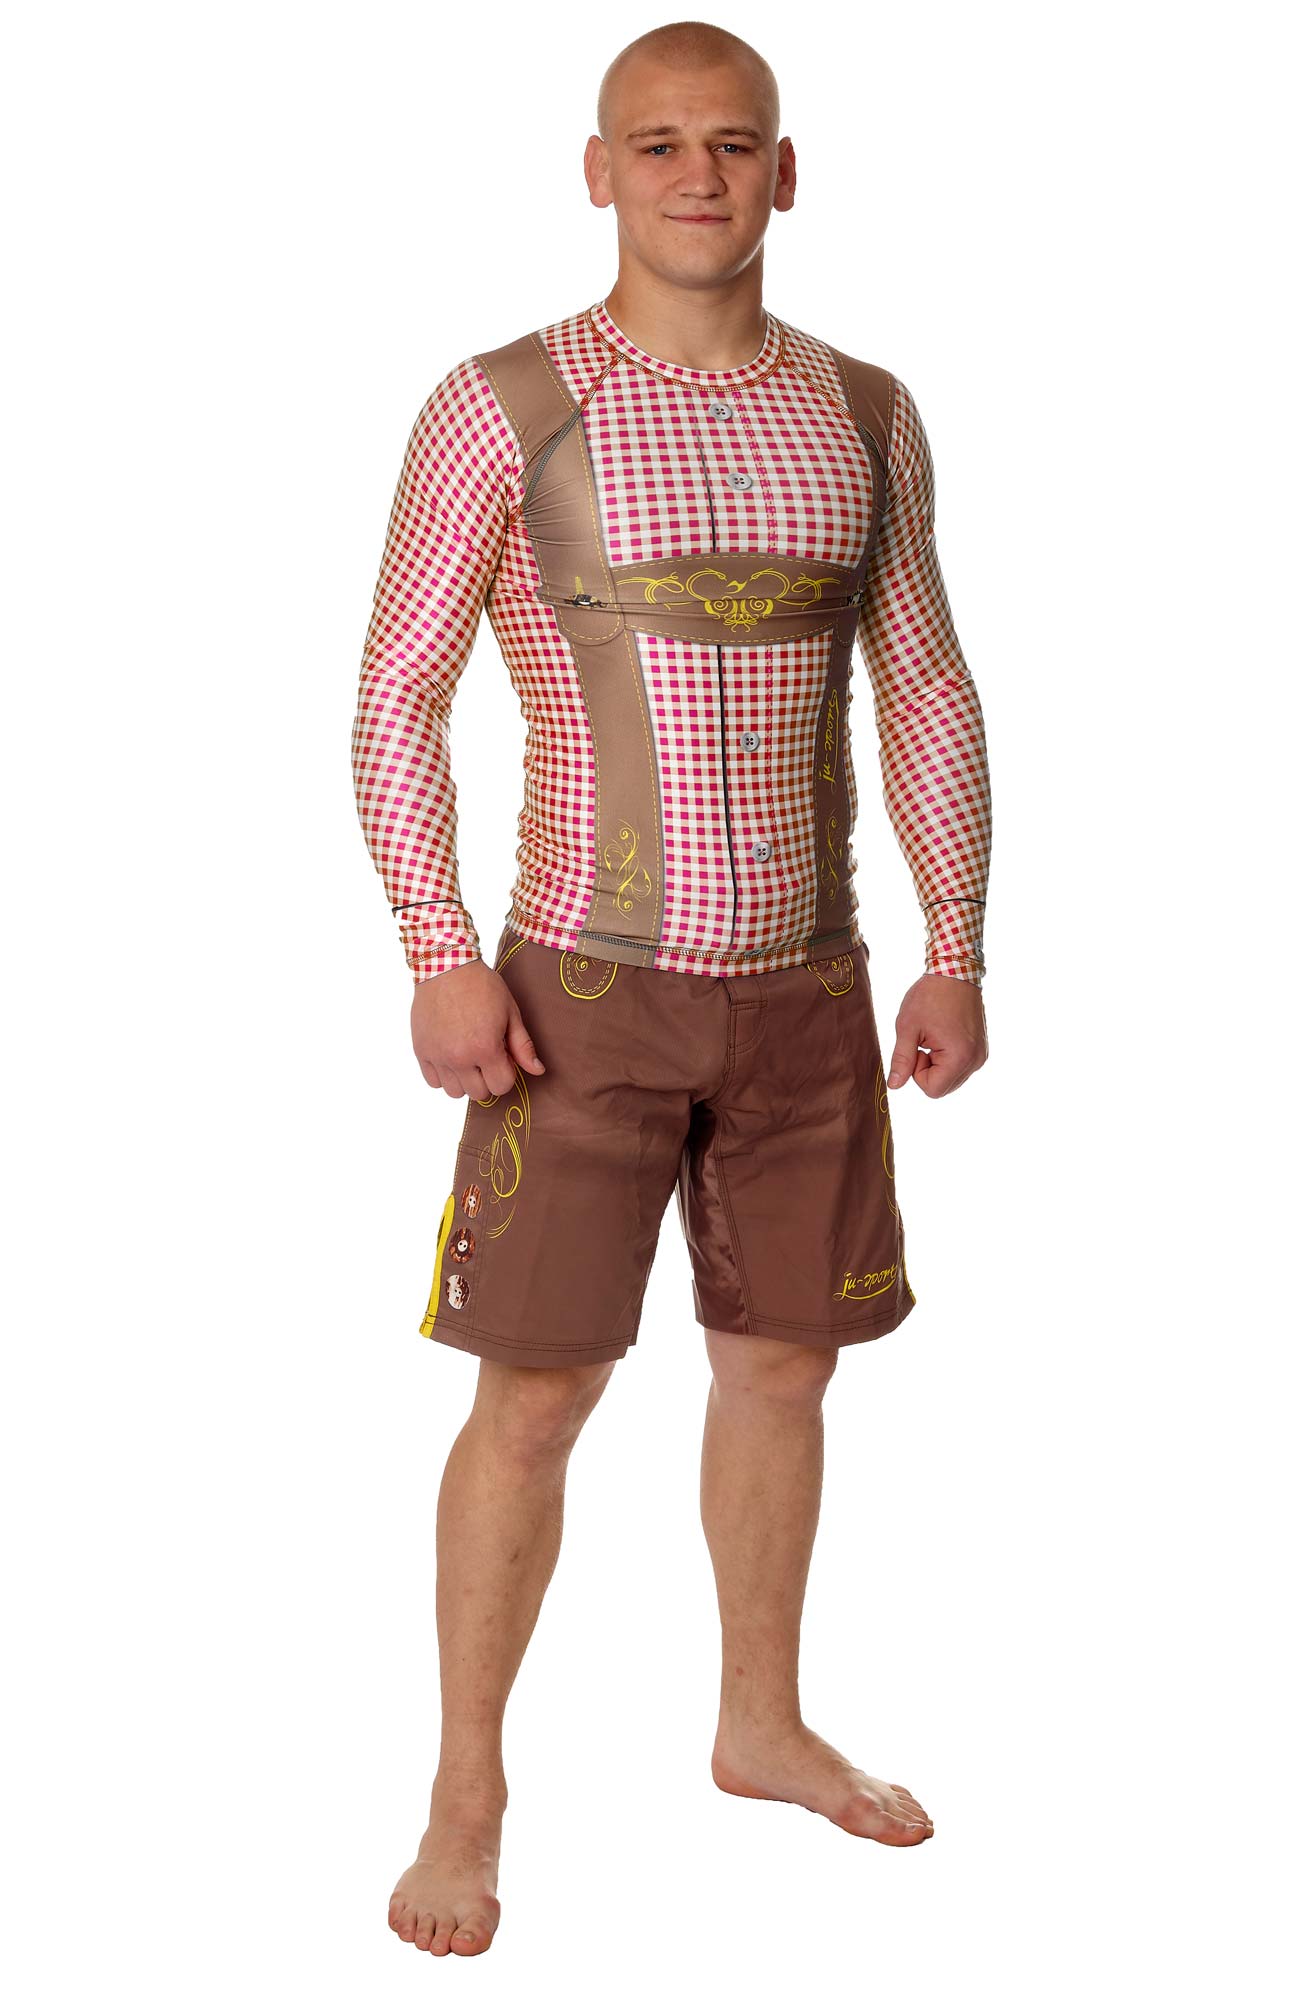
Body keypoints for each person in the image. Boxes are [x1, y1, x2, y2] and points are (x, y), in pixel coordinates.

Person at [351, 18, 991, 1959]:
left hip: (810, 991)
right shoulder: (501, 402)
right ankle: (465, 1791)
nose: (695, 176)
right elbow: (395, 690)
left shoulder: (867, 409)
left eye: (730, 143)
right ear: (597, 171)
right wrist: (436, 951)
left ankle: (757, 1722)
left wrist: (958, 941)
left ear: (784, 173)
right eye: (656, 144)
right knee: (537, 1391)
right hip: (579, 990)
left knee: (785, 1365)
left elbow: (925, 681)